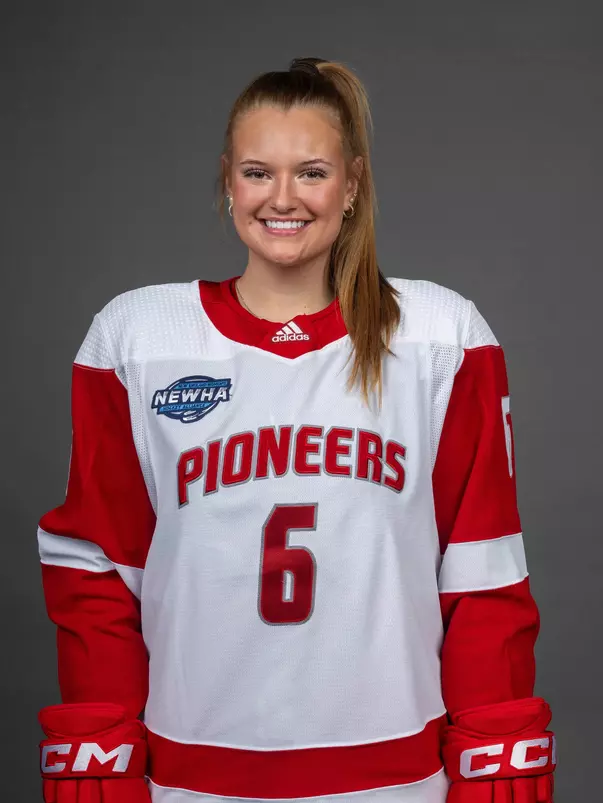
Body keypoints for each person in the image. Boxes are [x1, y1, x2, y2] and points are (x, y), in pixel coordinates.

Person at [36, 57, 556, 803]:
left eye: (311, 172)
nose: (282, 198)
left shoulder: (440, 335)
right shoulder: (138, 337)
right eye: (258, 172)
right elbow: (98, 571)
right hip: (191, 776)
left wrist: (495, 748)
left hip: (396, 779)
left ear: (352, 184)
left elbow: (482, 574)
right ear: (227, 180)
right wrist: (101, 744)